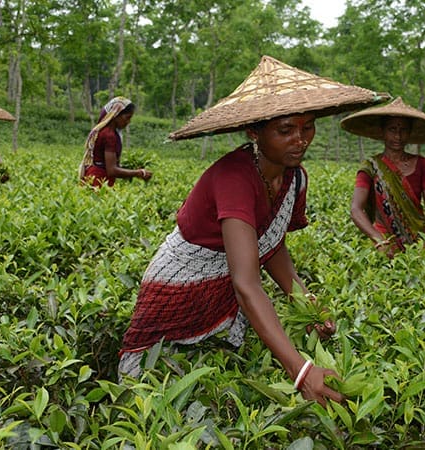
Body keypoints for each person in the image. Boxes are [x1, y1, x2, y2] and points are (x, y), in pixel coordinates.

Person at [118, 55, 388, 406]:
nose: (300, 140)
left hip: (226, 283)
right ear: (253, 132)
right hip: (179, 283)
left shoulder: (294, 178)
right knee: (149, 385)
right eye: (286, 130)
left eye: (307, 127)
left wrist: (307, 304)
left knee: (210, 372)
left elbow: (272, 246)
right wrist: (301, 371)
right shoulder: (234, 177)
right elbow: (246, 284)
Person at [340, 97, 425, 258]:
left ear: (410, 133)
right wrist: (378, 240)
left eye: (403, 130)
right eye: (392, 129)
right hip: (384, 242)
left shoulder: (423, 164)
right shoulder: (371, 167)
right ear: (383, 131)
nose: (398, 136)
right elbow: (356, 208)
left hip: (418, 240)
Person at [80, 97, 152, 187]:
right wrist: (138, 173)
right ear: (116, 115)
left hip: (93, 177)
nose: (128, 122)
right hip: (99, 180)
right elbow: (112, 170)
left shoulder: (104, 131)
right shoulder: (109, 135)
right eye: (127, 117)